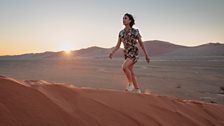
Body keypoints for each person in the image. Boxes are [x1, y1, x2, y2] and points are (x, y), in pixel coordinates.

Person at [109, 13, 150, 93]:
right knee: (130, 71)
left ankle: (130, 85)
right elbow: (118, 45)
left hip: (134, 53)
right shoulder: (121, 33)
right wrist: (112, 52)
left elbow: (141, 43)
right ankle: (137, 89)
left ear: (130, 20)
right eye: (123, 18)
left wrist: (146, 55)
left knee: (124, 67)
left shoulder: (135, 31)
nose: (123, 20)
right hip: (127, 54)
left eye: (125, 18)